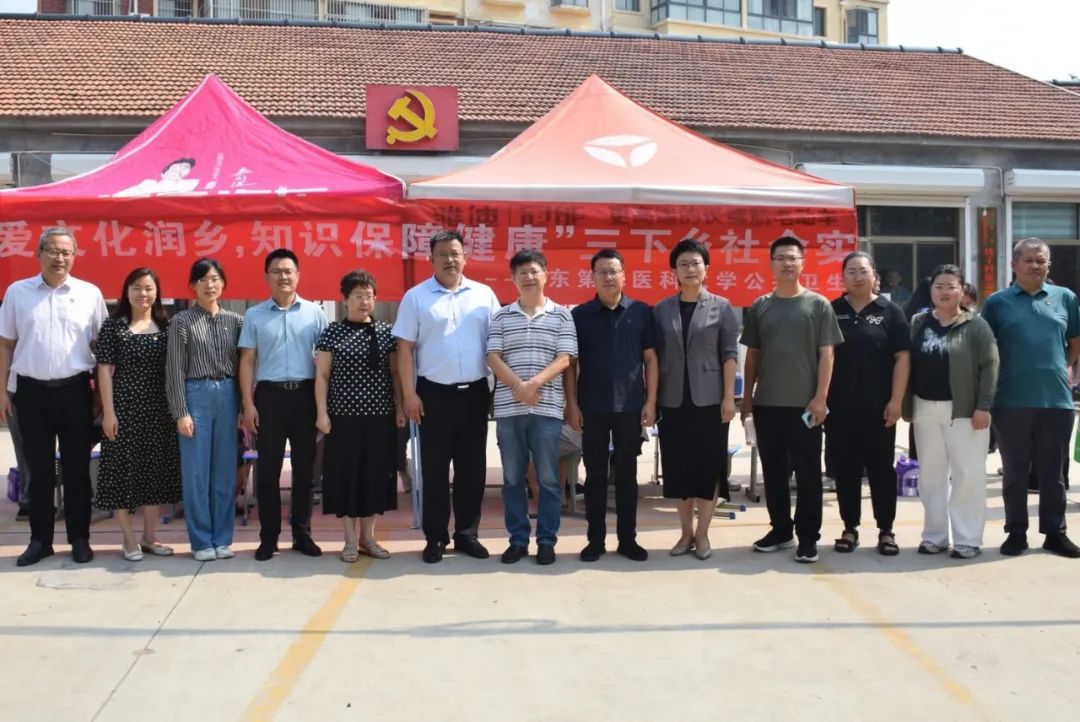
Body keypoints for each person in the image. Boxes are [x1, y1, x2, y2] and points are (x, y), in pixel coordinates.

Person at [0, 227, 108, 567]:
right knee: (39, 471)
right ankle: (40, 540)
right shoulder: (18, 293)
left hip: (76, 392)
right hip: (30, 393)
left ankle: (80, 539)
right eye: (52, 250)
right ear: (39, 253)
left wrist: (101, 399)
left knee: (77, 470)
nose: (59, 258)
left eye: (66, 252)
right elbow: (5, 344)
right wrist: (2, 391)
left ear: (74, 256)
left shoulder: (89, 294)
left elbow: (101, 349)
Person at [393, 229, 501, 563]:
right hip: (432, 395)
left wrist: (497, 389)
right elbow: (404, 349)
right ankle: (436, 537)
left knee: (472, 469)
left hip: (475, 394)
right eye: (442, 254)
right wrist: (409, 393)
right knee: (435, 470)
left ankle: (467, 535)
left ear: (465, 257)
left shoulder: (484, 295)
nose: (450, 260)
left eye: (455, 254)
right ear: (431, 258)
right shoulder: (416, 297)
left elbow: (497, 344)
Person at [740, 236, 843, 564]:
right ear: (771, 264)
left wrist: (820, 398)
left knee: (808, 473)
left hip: (805, 407)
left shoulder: (818, 305)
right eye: (781, 257)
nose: (787, 263)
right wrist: (747, 399)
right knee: (773, 473)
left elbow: (827, 354)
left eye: (793, 258)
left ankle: (808, 537)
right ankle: (781, 530)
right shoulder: (760, 306)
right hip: (767, 404)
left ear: (802, 263)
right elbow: (752, 355)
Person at [983, 238, 1080, 558]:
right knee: (1014, 473)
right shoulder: (997, 303)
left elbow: (1075, 342)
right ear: (1014, 265)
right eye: (1028, 260)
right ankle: (1016, 532)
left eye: (1041, 261)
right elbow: (986, 349)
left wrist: (1061, 367)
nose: (1035, 266)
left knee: (1053, 474)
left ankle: (1055, 533)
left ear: (1048, 265)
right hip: (1010, 400)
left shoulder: (1065, 298)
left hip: (1056, 400)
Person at [565, 248, 657, 563]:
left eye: (613, 271)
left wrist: (651, 401)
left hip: (630, 407)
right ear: (592, 277)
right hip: (591, 407)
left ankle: (628, 540)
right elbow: (571, 365)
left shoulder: (641, 312)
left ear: (624, 276)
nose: (608, 277)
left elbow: (651, 360)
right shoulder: (579, 316)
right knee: (594, 476)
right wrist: (572, 404)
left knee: (627, 476)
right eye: (602, 271)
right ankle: (595, 541)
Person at [487, 250, 577, 565]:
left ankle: (547, 541)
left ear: (546, 275)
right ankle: (518, 540)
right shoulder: (501, 316)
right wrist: (518, 387)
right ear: (513, 279)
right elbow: (493, 357)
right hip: (509, 411)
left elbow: (565, 359)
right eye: (521, 272)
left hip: (546, 409)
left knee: (549, 479)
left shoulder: (562, 315)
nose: (528, 277)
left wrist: (532, 385)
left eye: (534, 271)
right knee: (513, 479)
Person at [903, 264, 998, 559]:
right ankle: (935, 536)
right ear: (930, 291)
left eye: (951, 287)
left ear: (962, 290)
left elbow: (990, 367)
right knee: (931, 476)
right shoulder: (918, 322)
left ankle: (968, 538)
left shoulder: (976, 325)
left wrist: (983, 406)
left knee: (967, 474)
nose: (944, 292)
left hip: (965, 412)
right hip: (924, 408)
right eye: (938, 287)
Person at [238, 248, 327, 562]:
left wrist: (322, 407)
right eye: (276, 271)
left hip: (305, 396)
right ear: (267, 277)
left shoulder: (315, 313)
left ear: (298, 275)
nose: (283, 276)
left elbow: (325, 363)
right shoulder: (254, 315)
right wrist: (248, 404)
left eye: (288, 271)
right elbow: (247, 361)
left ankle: (302, 534)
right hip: (269, 398)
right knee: (268, 472)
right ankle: (269, 538)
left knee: (305, 473)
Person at [653, 239, 738, 560]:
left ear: (707, 269)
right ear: (674, 271)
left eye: (696, 263)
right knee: (678, 469)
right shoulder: (662, 309)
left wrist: (729, 397)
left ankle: (702, 534)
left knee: (708, 468)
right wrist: (651, 400)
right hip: (672, 400)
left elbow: (729, 355)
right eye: (683, 264)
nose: (690, 269)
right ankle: (685, 533)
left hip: (710, 400)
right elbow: (654, 358)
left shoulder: (722, 306)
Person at [315, 270, 405, 562]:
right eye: (357, 296)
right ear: (345, 299)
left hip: (380, 417)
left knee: (375, 475)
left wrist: (400, 407)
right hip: (343, 418)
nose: (364, 301)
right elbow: (322, 375)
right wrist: (321, 413)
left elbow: (395, 373)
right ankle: (350, 540)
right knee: (345, 475)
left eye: (369, 295)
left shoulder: (386, 332)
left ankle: (368, 536)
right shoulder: (332, 332)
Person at [94, 268, 182, 561]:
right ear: (126, 291)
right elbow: (104, 370)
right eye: (136, 287)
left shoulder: (167, 326)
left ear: (157, 292)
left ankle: (149, 537)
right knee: (122, 474)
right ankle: (128, 538)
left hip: (159, 412)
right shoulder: (113, 326)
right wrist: (109, 412)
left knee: (154, 475)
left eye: (148, 288)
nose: (143, 294)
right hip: (123, 410)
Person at [826, 252, 910, 556]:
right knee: (846, 469)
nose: (857, 277)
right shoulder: (832, 310)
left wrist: (896, 401)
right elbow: (823, 356)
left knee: (881, 469)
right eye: (851, 271)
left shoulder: (891, 312)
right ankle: (850, 527)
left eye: (863, 271)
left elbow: (902, 358)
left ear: (874, 275)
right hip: (840, 407)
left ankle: (886, 530)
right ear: (843, 277)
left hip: (879, 407)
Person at [166, 258, 243, 562]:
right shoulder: (181, 321)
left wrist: (243, 405)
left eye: (215, 279)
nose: (210, 285)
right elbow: (174, 370)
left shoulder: (235, 321)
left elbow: (244, 366)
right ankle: (200, 541)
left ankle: (222, 539)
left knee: (224, 472)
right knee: (196, 472)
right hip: (195, 393)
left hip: (228, 393)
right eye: (203, 280)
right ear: (192, 286)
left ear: (223, 283)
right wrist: (180, 411)